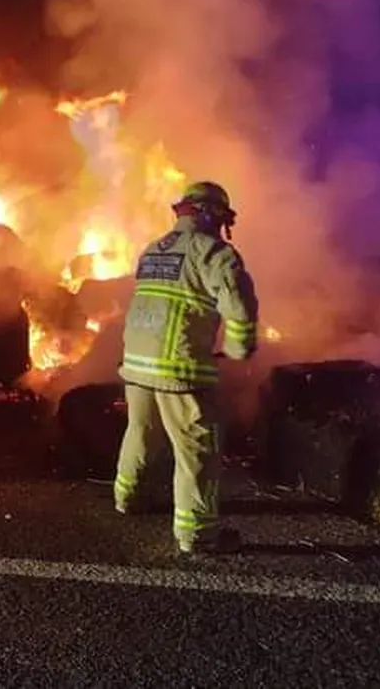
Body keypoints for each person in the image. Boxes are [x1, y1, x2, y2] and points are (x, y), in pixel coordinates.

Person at [114, 181, 259, 554]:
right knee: (198, 448)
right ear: (213, 215)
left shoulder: (153, 248)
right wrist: (239, 348)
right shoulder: (215, 253)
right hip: (179, 366)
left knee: (141, 432)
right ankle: (197, 534)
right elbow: (239, 306)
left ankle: (128, 498)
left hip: (136, 362)